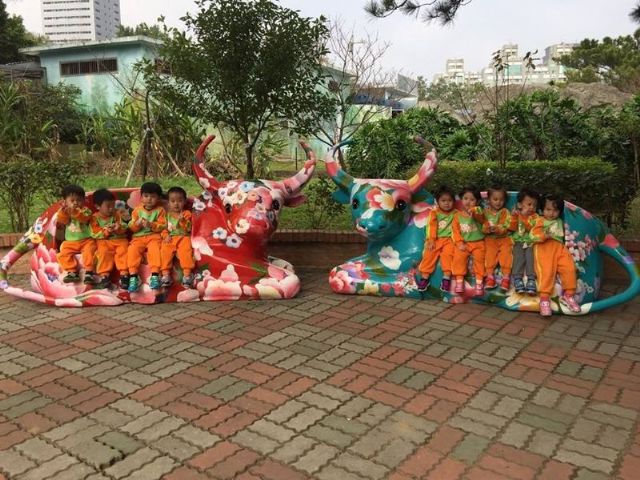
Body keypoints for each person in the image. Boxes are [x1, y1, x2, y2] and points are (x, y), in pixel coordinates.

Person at [530, 193, 582, 316]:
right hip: (544, 247)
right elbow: (532, 235)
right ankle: (544, 299)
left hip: (559, 247)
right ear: (542, 209)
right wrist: (543, 236)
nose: (551, 213)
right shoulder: (540, 220)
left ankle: (568, 295)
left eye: (555, 210)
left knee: (569, 268)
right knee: (546, 272)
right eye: (548, 209)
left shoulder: (560, 220)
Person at [127, 182, 167, 292]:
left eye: (153, 196)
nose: (149, 199)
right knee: (132, 250)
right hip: (138, 238)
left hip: (154, 237)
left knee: (155, 250)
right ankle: (133, 276)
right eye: (146, 196)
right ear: (141, 197)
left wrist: (151, 224)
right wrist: (137, 225)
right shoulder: (137, 210)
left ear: (158, 198)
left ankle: (155, 275)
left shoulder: (160, 210)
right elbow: (131, 227)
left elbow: (163, 226)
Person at [417, 186, 456, 292]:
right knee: (429, 253)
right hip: (436, 239)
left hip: (450, 240)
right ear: (437, 201)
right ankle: (425, 277)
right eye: (443, 201)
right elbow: (431, 226)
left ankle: (446, 278)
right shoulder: (435, 212)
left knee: (448, 255)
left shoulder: (456, 213)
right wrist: (431, 239)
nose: (447, 203)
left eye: (449, 200)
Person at [56, 185, 96, 284]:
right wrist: (64, 213)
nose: (75, 203)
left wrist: (75, 212)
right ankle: (72, 272)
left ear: (83, 200)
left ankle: (89, 272)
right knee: (63, 252)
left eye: (78, 200)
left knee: (90, 250)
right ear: (65, 202)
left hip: (86, 240)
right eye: (72, 200)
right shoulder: (64, 211)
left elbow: (84, 218)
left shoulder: (86, 210)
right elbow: (62, 221)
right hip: (70, 242)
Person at [90, 189, 129, 290]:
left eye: (113, 205)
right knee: (103, 252)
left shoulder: (116, 214)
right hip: (104, 241)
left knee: (124, 249)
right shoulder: (94, 218)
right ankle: (104, 276)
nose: (111, 209)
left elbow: (125, 226)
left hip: (119, 240)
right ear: (98, 206)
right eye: (108, 206)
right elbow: (94, 233)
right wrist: (106, 231)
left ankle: (124, 275)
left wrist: (118, 227)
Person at [452, 186, 486, 296]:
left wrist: (475, 213)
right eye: (466, 198)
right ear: (461, 199)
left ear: (477, 201)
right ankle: (459, 281)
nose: (468, 202)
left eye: (472, 200)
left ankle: (479, 283)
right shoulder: (457, 215)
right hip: (464, 243)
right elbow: (455, 231)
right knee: (458, 257)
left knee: (480, 260)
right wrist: (459, 243)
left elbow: (482, 219)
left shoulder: (479, 211)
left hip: (478, 242)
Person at [160, 187, 195, 288]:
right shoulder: (167, 215)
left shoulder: (186, 214)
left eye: (180, 201)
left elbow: (188, 228)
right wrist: (165, 236)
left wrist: (183, 220)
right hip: (170, 238)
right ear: (168, 203)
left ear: (184, 202)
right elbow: (163, 228)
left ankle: (187, 275)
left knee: (186, 252)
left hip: (184, 237)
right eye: (173, 201)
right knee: (165, 252)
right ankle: (165, 275)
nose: (176, 203)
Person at [508, 189, 539, 295]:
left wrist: (525, 217)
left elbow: (531, 228)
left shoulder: (535, 217)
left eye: (534, 205)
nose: (532, 207)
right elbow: (511, 228)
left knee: (531, 258)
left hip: (530, 242)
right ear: (520, 205)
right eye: (529, 204)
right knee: (518, 257)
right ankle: (517, 279)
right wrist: (513, 217)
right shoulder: (515, 214)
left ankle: (531, 280)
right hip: (518, 242)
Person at [482, 186, 512, 291]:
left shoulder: (505, 212)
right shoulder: (485, 212)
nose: (498, 202)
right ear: (489, 199)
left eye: (501, 200)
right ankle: (490, 277)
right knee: (489, 255)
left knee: (506, 254)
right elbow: (482, 225)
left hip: (504, 239)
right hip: (490, 239)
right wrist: (487, 229)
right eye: (495, 199)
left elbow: (507, 225)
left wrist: (498, 229)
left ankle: (506, 278)